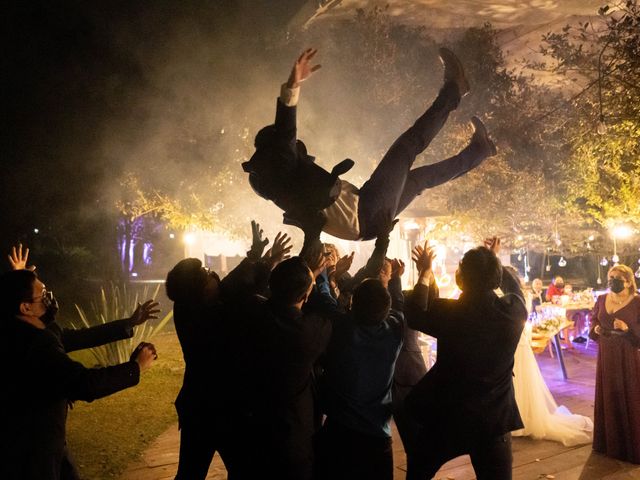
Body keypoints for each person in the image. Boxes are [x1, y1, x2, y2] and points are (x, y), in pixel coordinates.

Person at [242, 47, 497, 241]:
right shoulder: (279, 166)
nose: (294, 145)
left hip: (366, 221)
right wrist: (292, 85)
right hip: (366, 211)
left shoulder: (276, 182)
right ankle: (454, 89)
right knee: (407, 147)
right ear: (275, 149)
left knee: (420, 180)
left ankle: (480, 150)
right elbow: (286, 131)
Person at [0, 265, 158, 480]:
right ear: (26, 308)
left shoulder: (39, 331)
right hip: (33, 452)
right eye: (42, 296)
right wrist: (135, 367)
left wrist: (129, 323)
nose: (49, 299)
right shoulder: (33, 345)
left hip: (50, 445)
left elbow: (83, 337)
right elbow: (84, 383)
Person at [165, 222, 292, 479]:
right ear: (200, 289)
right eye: (207, 272)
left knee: (191, 472)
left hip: (198, 408)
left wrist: (257, 256)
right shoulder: (217, 316)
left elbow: (229, 286)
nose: (213, 274)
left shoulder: (187, 308)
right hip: (225, 410)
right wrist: (265, 262)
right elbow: (239, 292)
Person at [403, 237, 527, 480]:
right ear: (497, 277)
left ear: (461, 279)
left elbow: (415, 315)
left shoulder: (448, 312)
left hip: (446, 416)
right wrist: (495, 261)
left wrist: (425, 273)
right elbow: (516, 291)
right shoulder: (513, 313)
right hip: (493, 419)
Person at [315, 227, 404, 480]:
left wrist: (323, 271)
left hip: (338, 433)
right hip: (377, 437)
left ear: (353, 304)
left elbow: (323, 298)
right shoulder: (395, 331)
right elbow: (397, 304)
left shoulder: (342, 329)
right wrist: (391, 279)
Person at [240, 252, 337, 480]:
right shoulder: (311, 331)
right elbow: (331, 312)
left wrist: (308, 280)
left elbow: (260, 297)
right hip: (292, 435)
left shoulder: (252, 313)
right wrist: (316, 280)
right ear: (306, 294)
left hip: (250, 428)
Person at [588, 264, 640, 464]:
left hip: (627, 355)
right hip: (606, 354)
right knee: (608, 393)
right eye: (610, 277)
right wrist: (597, 329)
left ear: (628, 281)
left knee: (629, 394)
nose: (613, 281)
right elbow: (593, 321)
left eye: (617, 277)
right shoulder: (601, 299)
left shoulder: (637, 302)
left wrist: (628, 329)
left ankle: (630, 445)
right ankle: (609, 443)